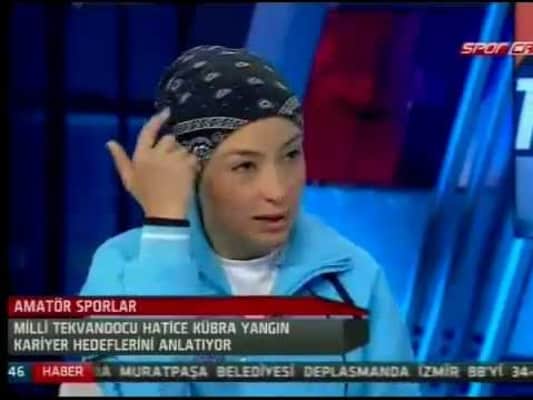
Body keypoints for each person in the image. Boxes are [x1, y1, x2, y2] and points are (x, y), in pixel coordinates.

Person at [59, 45, 420, 397]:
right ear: (191, 171)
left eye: (291, 155)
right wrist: (166, 234)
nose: (277, 190)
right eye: (245, 166)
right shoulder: (121, 269)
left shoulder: (353, 277)